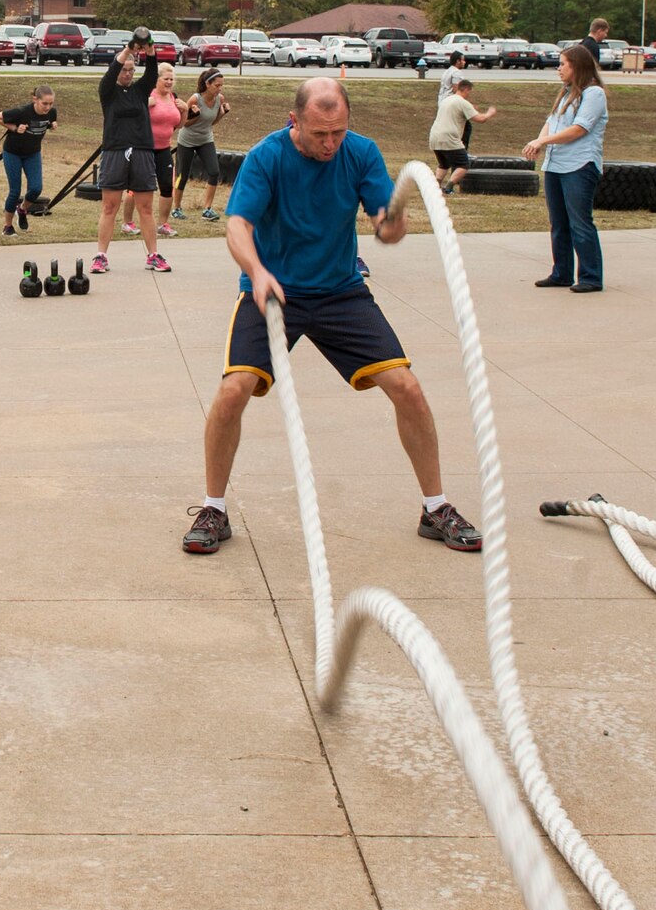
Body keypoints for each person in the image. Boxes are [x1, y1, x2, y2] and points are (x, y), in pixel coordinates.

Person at [181, 77, 483, 557]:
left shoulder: (360, 153)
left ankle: (435, 507)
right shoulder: (268, 156)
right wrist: (256, 272)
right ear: (295, 119)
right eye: (320, 134)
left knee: (406, 387)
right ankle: (213, 508)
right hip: (273, 291)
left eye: (338, 132)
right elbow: (237, 225)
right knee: (234, 389)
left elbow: (384, 228)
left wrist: (393, 223)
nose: (330, 144)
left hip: (340, 292)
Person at [527, 44, 609, 293]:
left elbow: (579, 129)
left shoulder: (594, 94)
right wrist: (540, 141)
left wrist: (542, 141)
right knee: (559, 222)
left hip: (579, 166)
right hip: (556, 165)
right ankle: (561, 272)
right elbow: (551, 123)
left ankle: (591, 276)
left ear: (578, 65)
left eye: (563, 64)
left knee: (579, 222)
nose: (558, 69)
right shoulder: (566, 93)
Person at [90, 41, 168, 274]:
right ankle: (101, 256)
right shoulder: (108, 91)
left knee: (145, 207)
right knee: (109, 206)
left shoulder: (140, 91)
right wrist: (128, 51)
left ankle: (153, 255)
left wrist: (150, 51)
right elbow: (112, 70)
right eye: (124, 69)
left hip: (142, 150)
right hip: (115, 150)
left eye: (131, 70)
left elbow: (152, 72)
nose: (127, 73)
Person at [122, 62, 181, 239]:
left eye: (172, 79)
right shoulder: (147, 95)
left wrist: (184, 110)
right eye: (166, 79)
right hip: (143, 148)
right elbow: (130, 118)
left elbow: (178, 124)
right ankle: (127, 222)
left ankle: (162, 224)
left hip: (164, 148)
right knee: (136, 187)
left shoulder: (173, 98)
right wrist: (143, 105)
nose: (169, 82)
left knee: (167, 186)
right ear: (157, 79)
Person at [0, 85, 56, 239]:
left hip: (32, 154)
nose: (48, 107)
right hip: (12, 153)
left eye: (51, 104)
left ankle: (22, 210)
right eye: (44, 103)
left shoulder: (51, 112)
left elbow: (49, 121)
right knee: (15, 191)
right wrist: (14, 128)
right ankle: (7, 226)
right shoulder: (22, 111)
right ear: (35, 99)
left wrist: (52, 125)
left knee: (36, 188)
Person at [172, 69, 229, 221]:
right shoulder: (195, 99)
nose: (219, 89)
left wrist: (222, 114)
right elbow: (184, 123)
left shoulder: (220, 99)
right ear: (207, 84)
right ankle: (176, 208)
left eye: (221, 86)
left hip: (205, 139)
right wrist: (195, 116)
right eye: (217, 85)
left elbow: (212, 122)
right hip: (187, 141)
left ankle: (207, 209)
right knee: (182, 175)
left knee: (214, 171)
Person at [429, 79, 496, 195]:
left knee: (444, 164)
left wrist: (472, 108)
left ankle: (435, 186)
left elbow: (460, 112)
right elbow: (480, 119)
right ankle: (448, 187)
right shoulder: (462, 102)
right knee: (463, 164)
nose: (469, 94)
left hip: (434, 136)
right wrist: (490, 113)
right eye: (469, 91)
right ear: (465, 89)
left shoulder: (447, 100)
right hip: (449, 137)